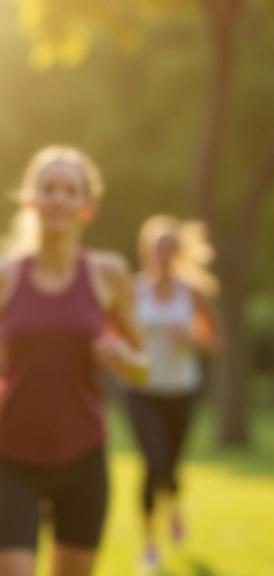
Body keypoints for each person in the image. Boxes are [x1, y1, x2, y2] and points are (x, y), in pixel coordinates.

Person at [0, 146, 149, 576]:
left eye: (70, 191)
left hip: (83, 456)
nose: (59, 198)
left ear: (86, 208)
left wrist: (123, 360)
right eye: (49, 189)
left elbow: (143, 362)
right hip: (14, 456)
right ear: (32, 201)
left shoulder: (108, 274)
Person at [128, 215, 220, 571]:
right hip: (142, 389)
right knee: (153, 461)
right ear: (147, 251)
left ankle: (175, 507)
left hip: (181, 390)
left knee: (172, 465)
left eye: (170, 246)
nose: (164, 253)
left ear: (178, 251)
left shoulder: (193, 292)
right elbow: (118, 334)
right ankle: (150, 545)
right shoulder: (134, 290)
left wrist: (193, 339)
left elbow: (217, 343)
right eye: (158, 245)